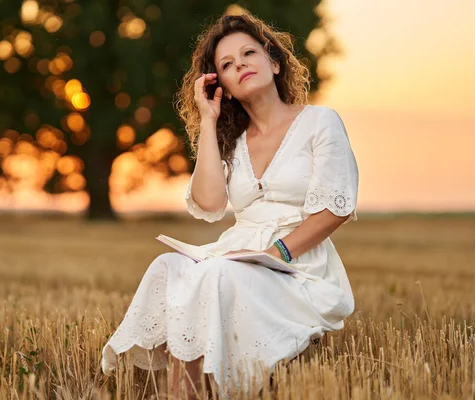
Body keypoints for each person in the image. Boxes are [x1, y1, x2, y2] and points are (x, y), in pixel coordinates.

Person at [101, 12, 359, 399]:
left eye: (248, 53)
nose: (239, 64)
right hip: (238, 254)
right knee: (168, 267)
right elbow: (208, 203)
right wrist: (208, 120)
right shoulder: (231, 142)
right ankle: (182, 394)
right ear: (221, 85)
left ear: (274, 62)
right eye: (226, 64)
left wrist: (272, 253)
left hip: (298, 265)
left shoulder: (320, 123)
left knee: (216, 274)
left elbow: (335, 209)